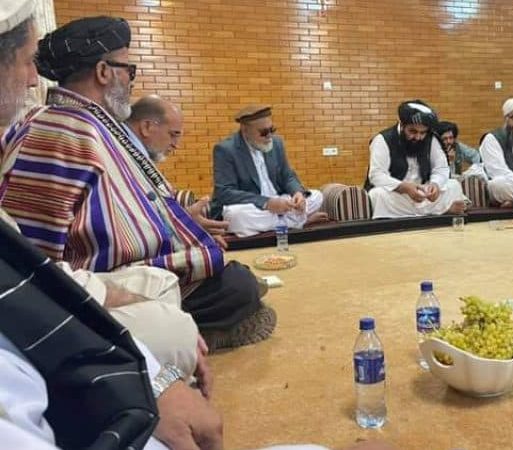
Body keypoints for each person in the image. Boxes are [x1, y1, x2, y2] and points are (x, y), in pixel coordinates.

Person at [0, 16, 274, 351]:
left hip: (133, 267)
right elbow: (37, 253)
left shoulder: (93, 122)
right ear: (104, 72)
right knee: (235, 286)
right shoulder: (58, 131)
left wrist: (182, 222)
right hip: (104, 280)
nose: (131, 81)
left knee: (233, 279)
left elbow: (128, 200)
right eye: (129, 70)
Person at [124, 94, 231, 249]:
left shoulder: (135, 154)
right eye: (173, 134)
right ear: (146, 127)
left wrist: (189, 226)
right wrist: (184, 225)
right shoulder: (121, 156)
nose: (176, 145)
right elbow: (132, 226)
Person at [211, 104, 328, 237]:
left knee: (317, 196)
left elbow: (287, 176)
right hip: (254, 206)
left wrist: (297, 193)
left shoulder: (276, 143)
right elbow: (224, 192)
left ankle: (281, 223)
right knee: (235, 216)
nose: (269, 136)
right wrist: (267, 203)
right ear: (245, 130)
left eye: (272, 130)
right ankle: (300, 221)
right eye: (263, 132)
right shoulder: (226, 150)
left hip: (280, 203)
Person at [365, 100, 466, 218]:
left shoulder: (431, 139)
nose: (418, 137)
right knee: (377, 195)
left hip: (423, 193)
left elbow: (441, 168)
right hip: (398, 193)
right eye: (413, 131)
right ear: (402, 125)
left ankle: (424, 212)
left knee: (453, 185)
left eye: (423, 132)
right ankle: (440, 210)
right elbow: (376, 175)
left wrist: (435, 184)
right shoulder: (383, 140)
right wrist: (404, 187)